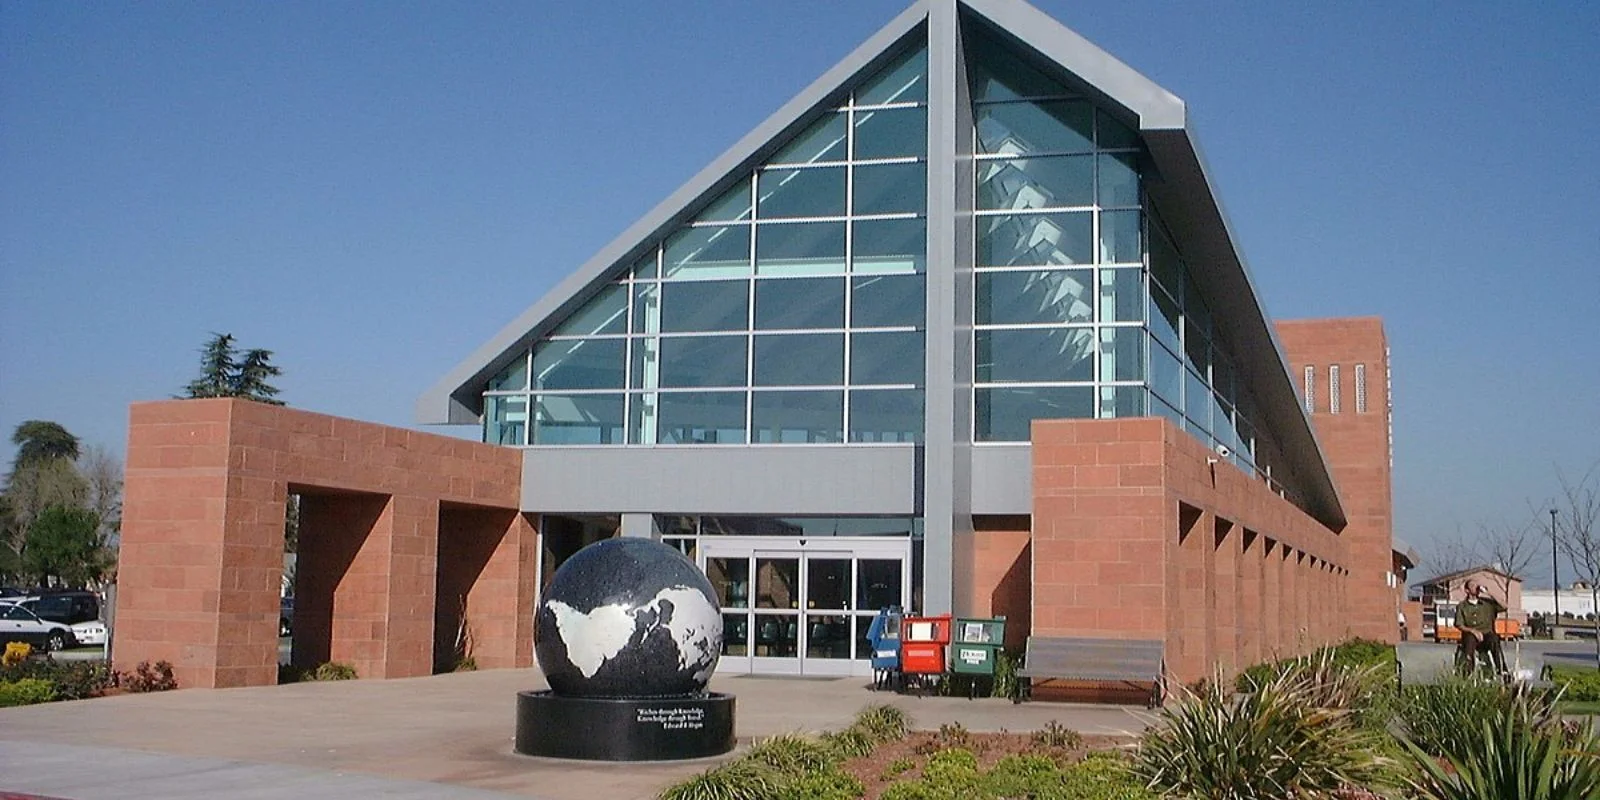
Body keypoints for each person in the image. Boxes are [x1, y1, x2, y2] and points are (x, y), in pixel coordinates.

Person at [1456, 580, 1506, 676]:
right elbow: (1459, 624)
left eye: (1477, 584)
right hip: (1471, 635)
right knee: (1469, 641)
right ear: (1467, 590)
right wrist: (1473, 631)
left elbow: (1504, 606)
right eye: (1473, 585)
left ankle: (1502, 670)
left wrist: (1489, 593)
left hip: (1487, 634)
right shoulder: (1462, 606)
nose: (1476, 587)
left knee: (1494, 639)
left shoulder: (1487, 603)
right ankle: (1467, 672)